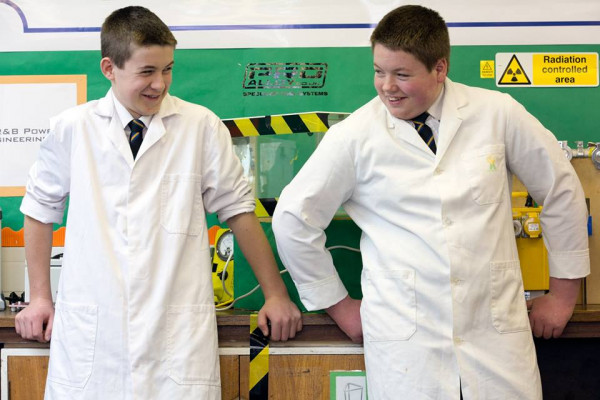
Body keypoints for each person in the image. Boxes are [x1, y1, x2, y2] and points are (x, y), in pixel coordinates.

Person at [272, 5, 589, 399]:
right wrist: (338, 305)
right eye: (379, 71)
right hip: (407, 347)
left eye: (402, 74)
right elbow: (292, 219)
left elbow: (561, 189)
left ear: (439, 68)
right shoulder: (354, 137)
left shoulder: (496, 113)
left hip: (494, 339)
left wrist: (563, 295)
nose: (387, 86)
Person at [15, 6, 302, 399]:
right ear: (109, 68)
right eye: (146, 72)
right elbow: (38, 211)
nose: (160, 84)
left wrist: (275, 294)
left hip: (175, 335)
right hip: (94, 334)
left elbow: (239, 212)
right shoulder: (73, 128)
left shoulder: (200, 126)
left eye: (167, 69)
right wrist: (40, 298)